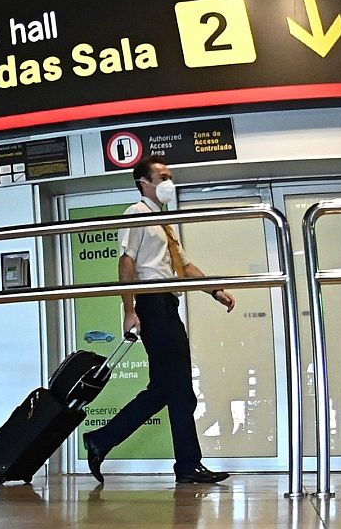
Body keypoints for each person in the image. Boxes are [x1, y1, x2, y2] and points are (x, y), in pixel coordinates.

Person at [82, 156, 235, 486]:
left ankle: (102, 440)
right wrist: (129, 309)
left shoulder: (166, 221)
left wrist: (215, 290)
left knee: (165, 391)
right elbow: (127, 262)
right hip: (152, 305)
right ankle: (187, 465)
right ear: (144, 182)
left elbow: (185, 267)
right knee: (178, 391)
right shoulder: (137, 214)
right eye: (163, 176)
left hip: (167, 304)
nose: (169, 182)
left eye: (170, 176)